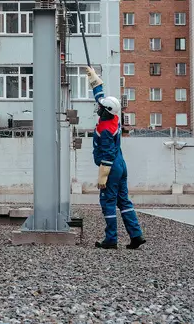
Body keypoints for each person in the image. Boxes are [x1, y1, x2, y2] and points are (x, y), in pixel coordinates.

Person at [86, 66, 146, 250]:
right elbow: (100, 96)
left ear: (106, 111)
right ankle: (136, 235)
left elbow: (107, 153)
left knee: (108, 201)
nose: (98, 108)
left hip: (111, 166)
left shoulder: (105, 129)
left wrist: (103, 176)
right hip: (120, 164)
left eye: (100, 108)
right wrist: (94, 78)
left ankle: (111, 239)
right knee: (123, 200)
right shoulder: (113, 117)